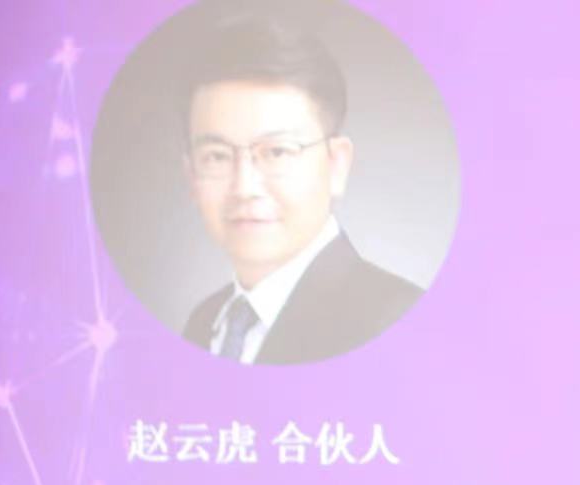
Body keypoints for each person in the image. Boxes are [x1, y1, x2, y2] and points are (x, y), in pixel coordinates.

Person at [177, 16, 421, 365]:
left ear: (336, 165)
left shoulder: (397, 323)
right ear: (191, 176)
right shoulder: (203, 323)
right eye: (216, 156)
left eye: (277, 152)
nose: (244, 187)